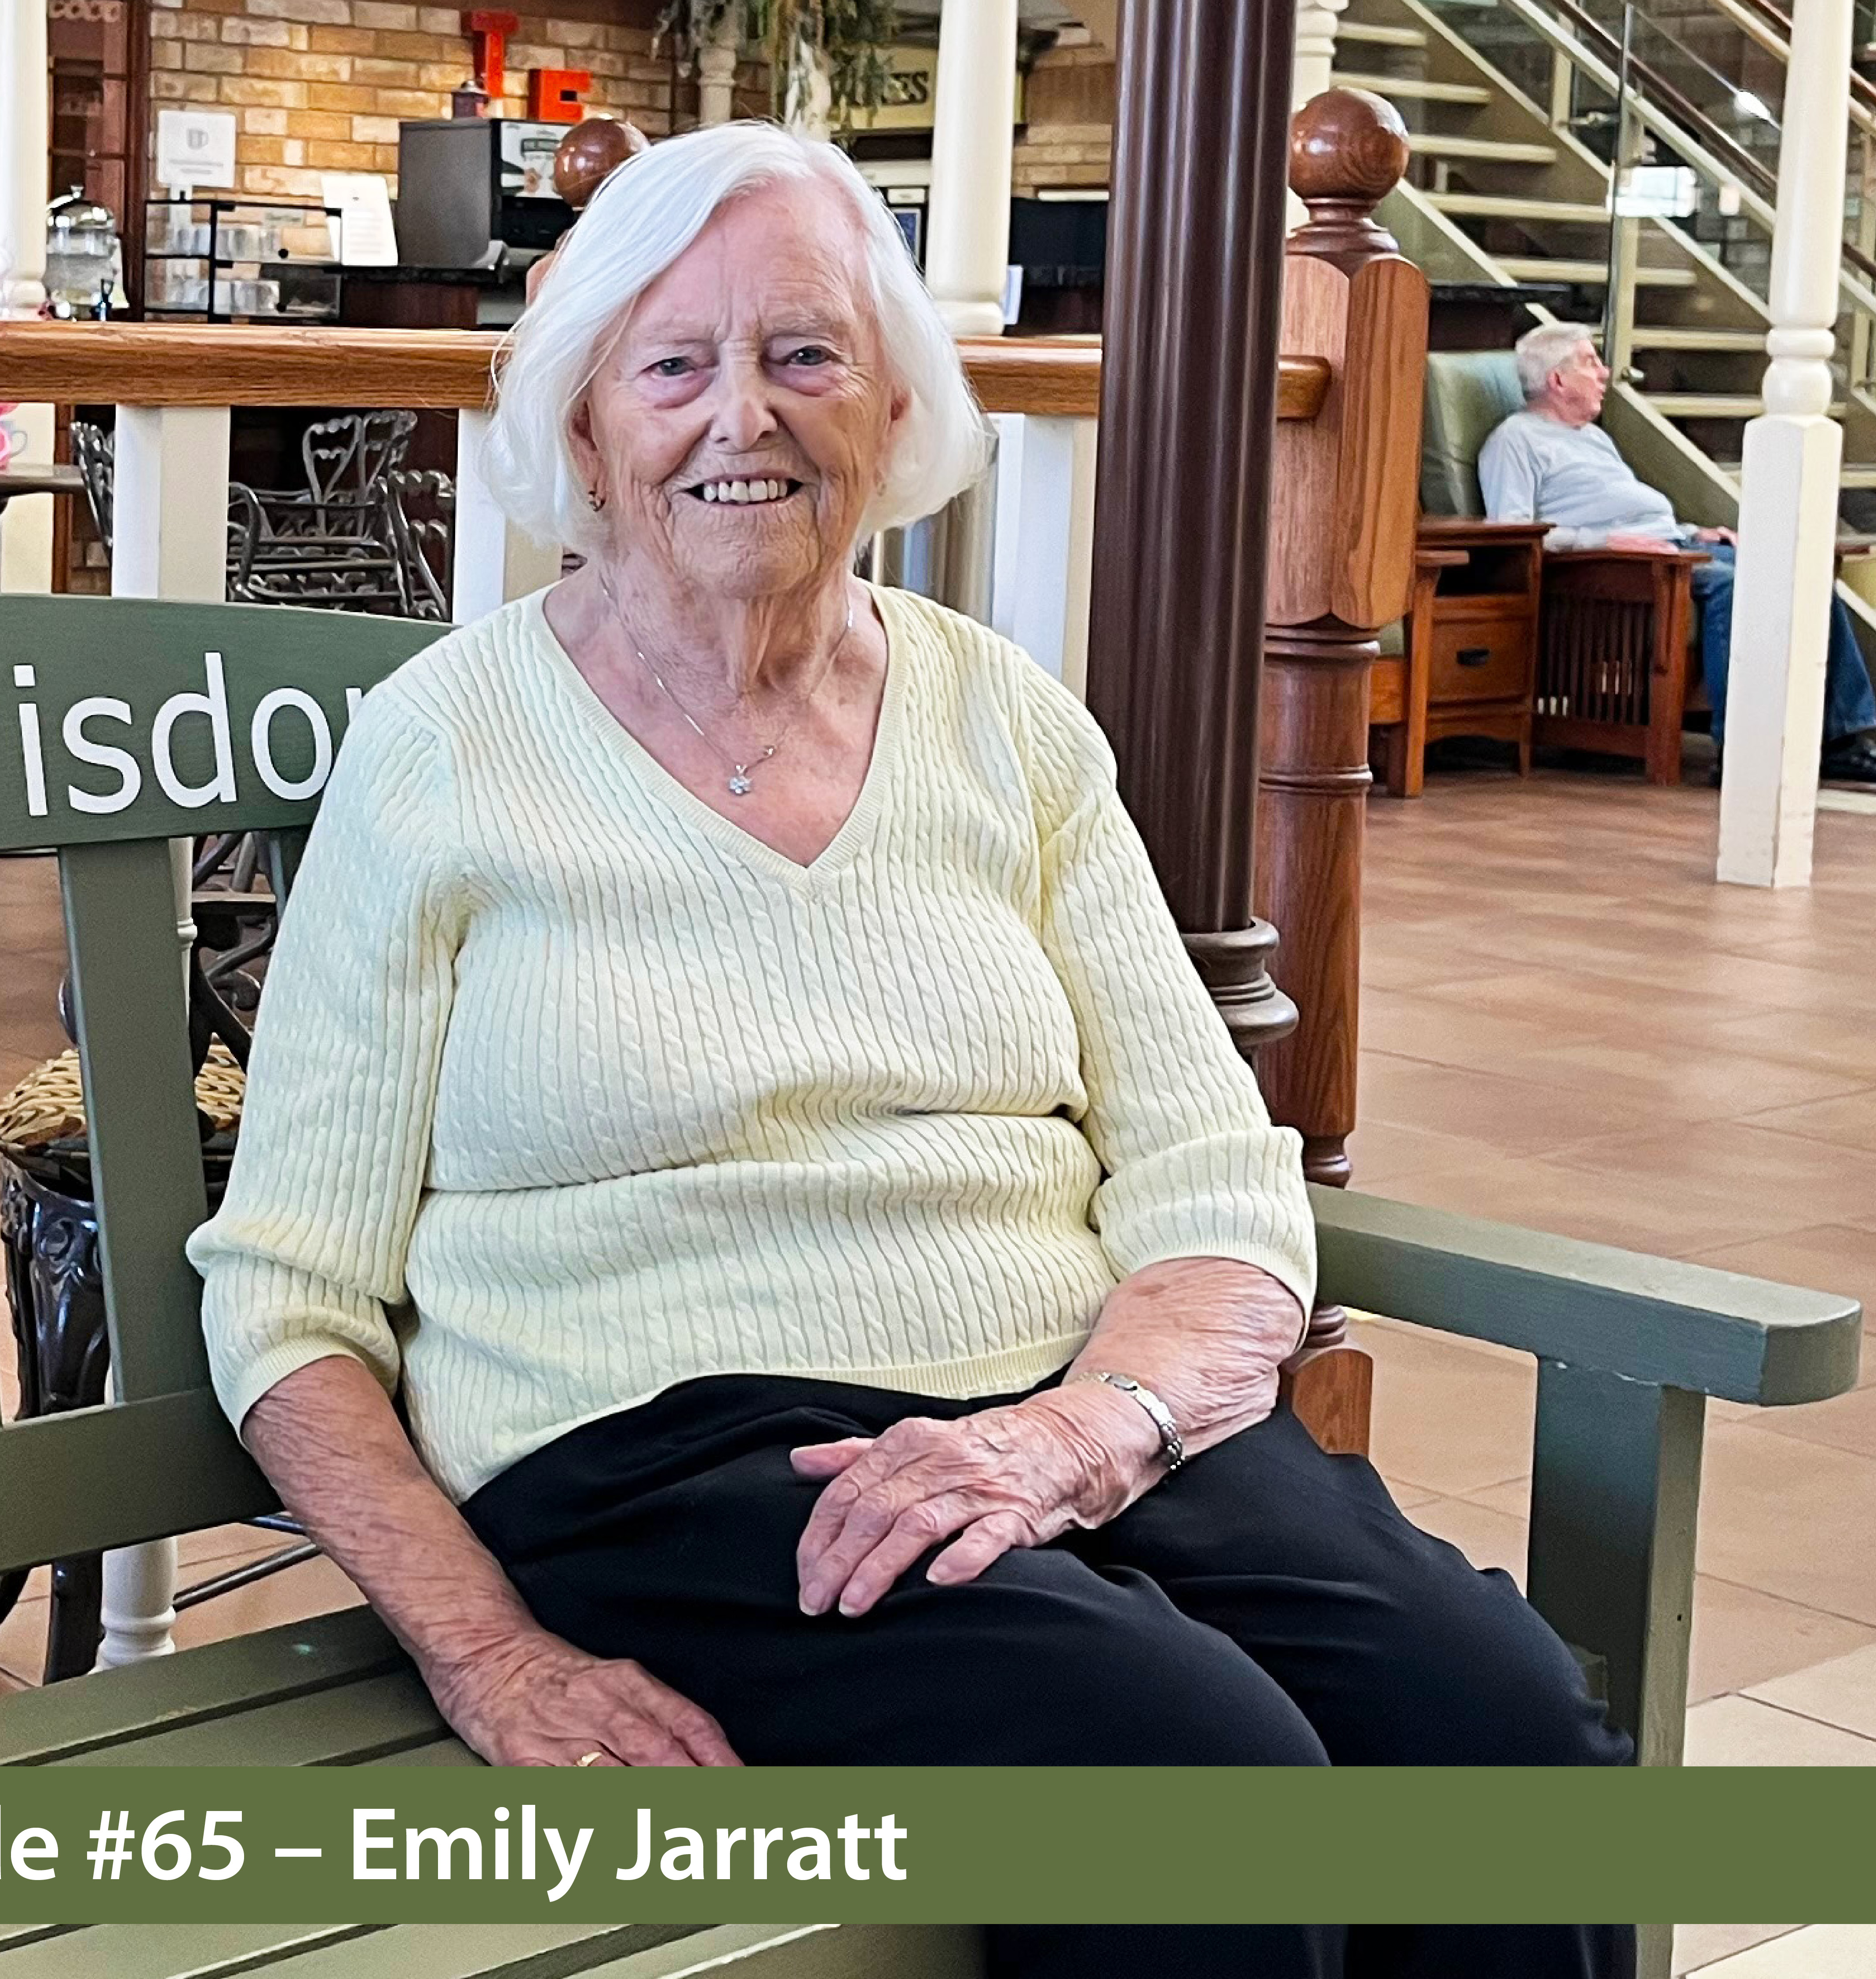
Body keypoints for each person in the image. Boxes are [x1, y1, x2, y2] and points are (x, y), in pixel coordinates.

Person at [189, 121, 1628, 1979]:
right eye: (673, 365)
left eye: (804, 356)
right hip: (665, 1463)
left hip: (1072, 1401)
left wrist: (1085, 1429)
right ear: (584, 434)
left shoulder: (1000, 719)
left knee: (1495, 1728)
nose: (742, 419)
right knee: (1201, 1788)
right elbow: (287, 1292)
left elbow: (1206, 1177)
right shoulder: (444, 748)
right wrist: (486, 1647)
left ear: (889, 416)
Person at [1482, 320, 1876, 783]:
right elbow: (1511, 531)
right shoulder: (1515, 440)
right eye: (1590, 363)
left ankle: (1840, 738)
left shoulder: (1591, 437)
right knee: (1734, 586)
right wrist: (1601, 542)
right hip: (1615, 568)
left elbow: (1632, 511)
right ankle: (1739, 749)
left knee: (1802, 573)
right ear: (1556, 380)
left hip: (1671, 545)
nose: (1605, 373)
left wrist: (1695, 531)